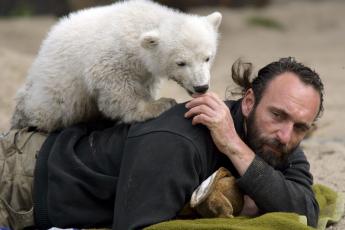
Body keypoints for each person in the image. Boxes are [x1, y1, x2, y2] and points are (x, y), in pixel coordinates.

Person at [0, 57, 324, 230]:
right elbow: (136, 226)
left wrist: (235, 149)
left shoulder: (275, 141)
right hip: (21, 181)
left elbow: (305, 211)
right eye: (278, 115)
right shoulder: (179, 140)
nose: (286, 134)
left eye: (300, 127)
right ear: (250, 102)